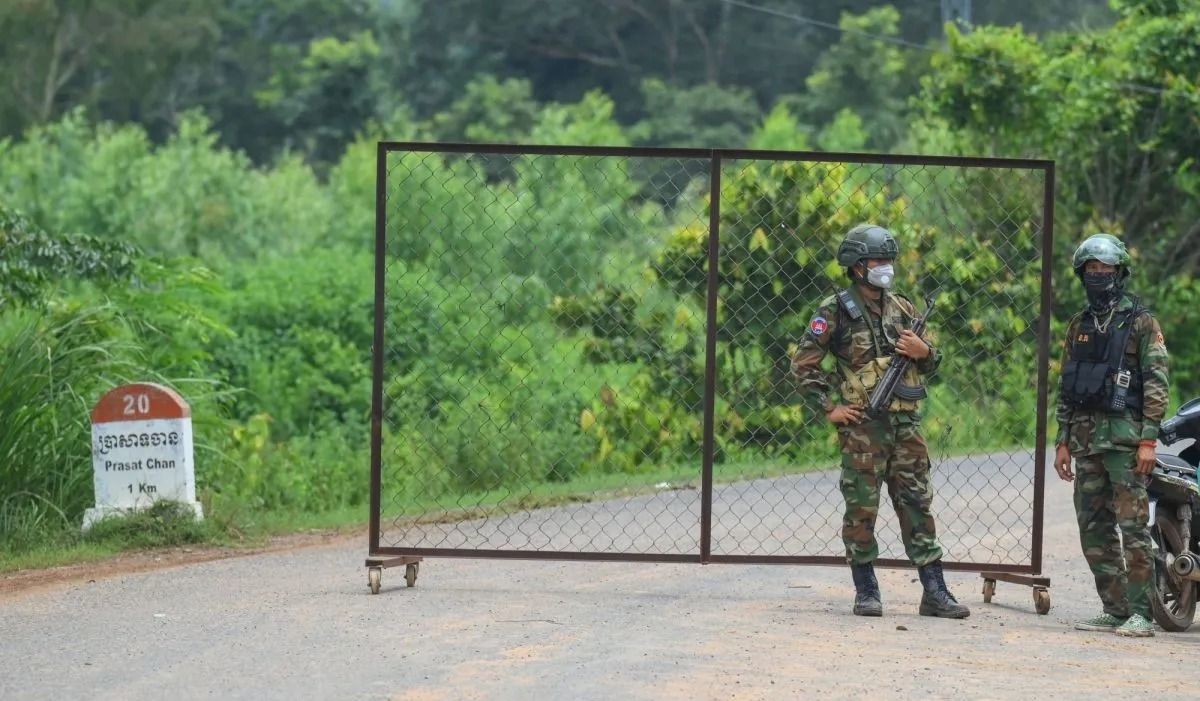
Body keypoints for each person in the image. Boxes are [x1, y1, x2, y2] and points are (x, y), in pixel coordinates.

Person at [791, 224, 969, 619]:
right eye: (876, 260)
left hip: (906, 426)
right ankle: (866, 590)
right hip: (862, 428)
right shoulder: (834, 310)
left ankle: (935, 591)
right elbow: (803, 365)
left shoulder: (903, 307)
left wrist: (924, 352)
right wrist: (829, 408)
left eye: (889, 259)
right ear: (856, 266)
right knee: (862, 507)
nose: (885, 267)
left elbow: (934, 362)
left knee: (917, 504)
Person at [1054, 233, 1169, 638]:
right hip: (1085, 443)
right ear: (1082, 275)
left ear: (1120, 273)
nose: (1098, 276)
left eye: (1105, 270)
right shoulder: (1079, 325)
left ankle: (1142, 613)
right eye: (1091, 270)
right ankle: (1115, 607)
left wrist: (1148, 439)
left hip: (1125, 442)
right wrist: (1062, 441)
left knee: (1134, 529)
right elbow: (1067, 387)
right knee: (1094, 529)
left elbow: (1156, 383)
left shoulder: (1141, 322)